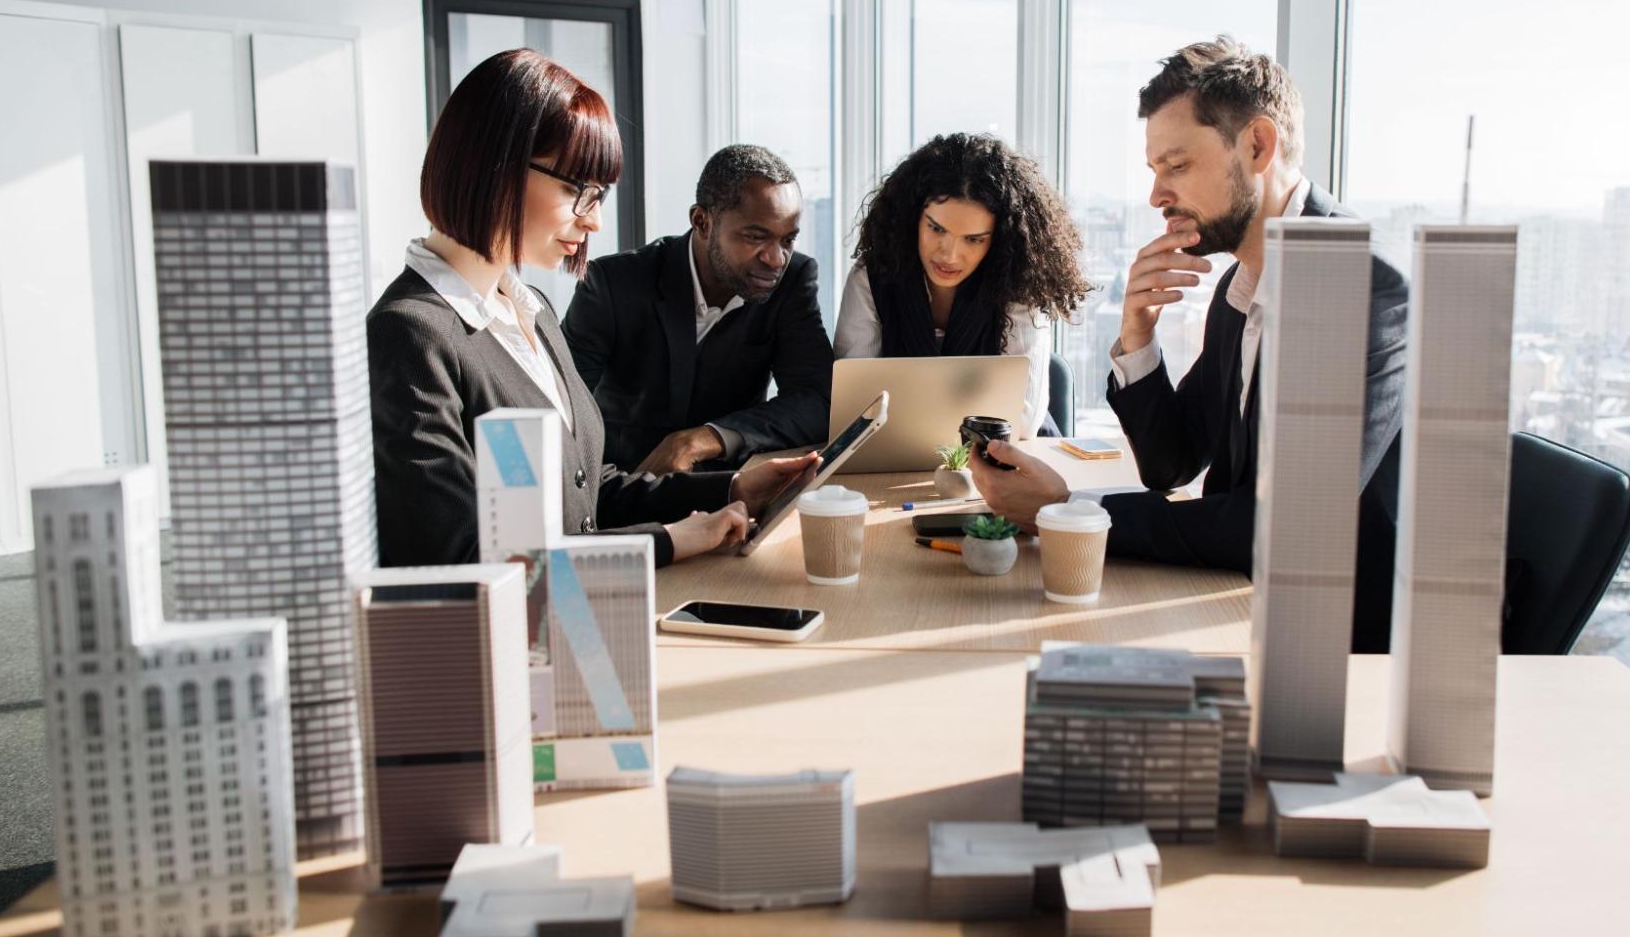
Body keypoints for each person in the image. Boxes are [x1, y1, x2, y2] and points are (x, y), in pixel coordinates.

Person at [967, 37, 1409, 649]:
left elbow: (1290, 528)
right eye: (1155, 172)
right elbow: (1175, 464)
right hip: (1237, 602)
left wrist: (1070, 509)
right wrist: (1137, 336)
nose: (1157, 196)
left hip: (1335, 644)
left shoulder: (1358, 281)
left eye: (1177, 167)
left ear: (1258, 145)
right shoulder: (1244, 282)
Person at [367, 48, 815, 569]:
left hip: (575, 619)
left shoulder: (527, 310)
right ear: (496, 167)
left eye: (599, 194)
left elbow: (584, 492)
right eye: (576, 189)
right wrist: (669, 541)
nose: (594, 221)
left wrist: (732, 487)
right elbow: (463, 558)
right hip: (508, 642)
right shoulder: (409, 335)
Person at [563, 144, 833, 474]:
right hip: (624, 494)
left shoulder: (792, 282)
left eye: (788, 240)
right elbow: (562, 411)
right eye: (755, 236)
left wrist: (703, 439)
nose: (776, 259)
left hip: (730, 490)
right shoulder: (611, 284)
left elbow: (817, 401)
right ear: (701, 221)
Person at [834, 132, 1090, 432]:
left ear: (998, 240)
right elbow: (854, 405)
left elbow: (1023, 420)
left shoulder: (1018, 282)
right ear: (911, 218)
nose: (950, 255)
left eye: (973, 239)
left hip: (1007, 452)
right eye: (936, 229)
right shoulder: (871, 277)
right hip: (895, 451)